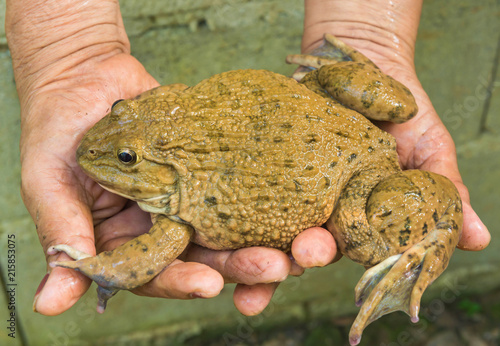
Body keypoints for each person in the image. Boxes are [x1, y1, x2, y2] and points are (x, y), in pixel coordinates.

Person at [6, 0, 490, 317]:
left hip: (356, 179)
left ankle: (432, 238)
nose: (95, 149)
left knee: (363, 239)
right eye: (120, 116)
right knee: (344, 91)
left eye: (126, 157)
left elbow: (138, 261)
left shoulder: (176, 218)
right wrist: (66, 54)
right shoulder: (172, 108)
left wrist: (100, 269)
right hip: (327, 108)